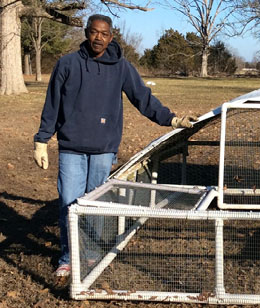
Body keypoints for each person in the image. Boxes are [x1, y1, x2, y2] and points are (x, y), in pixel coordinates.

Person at [33, 14, 197, 277]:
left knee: (95, 204)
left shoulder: (121, 67)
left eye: (104, 33)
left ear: (111, 36)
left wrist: (172, 119)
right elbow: (52, 104)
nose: (99, 38)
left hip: (103, 148)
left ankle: (90, 255)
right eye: (94, 32)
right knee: (68, 203)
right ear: (87, 33)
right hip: (71, 147)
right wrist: (41, 140)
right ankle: (68, 256)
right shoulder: (67, 64)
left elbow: (143, 98)